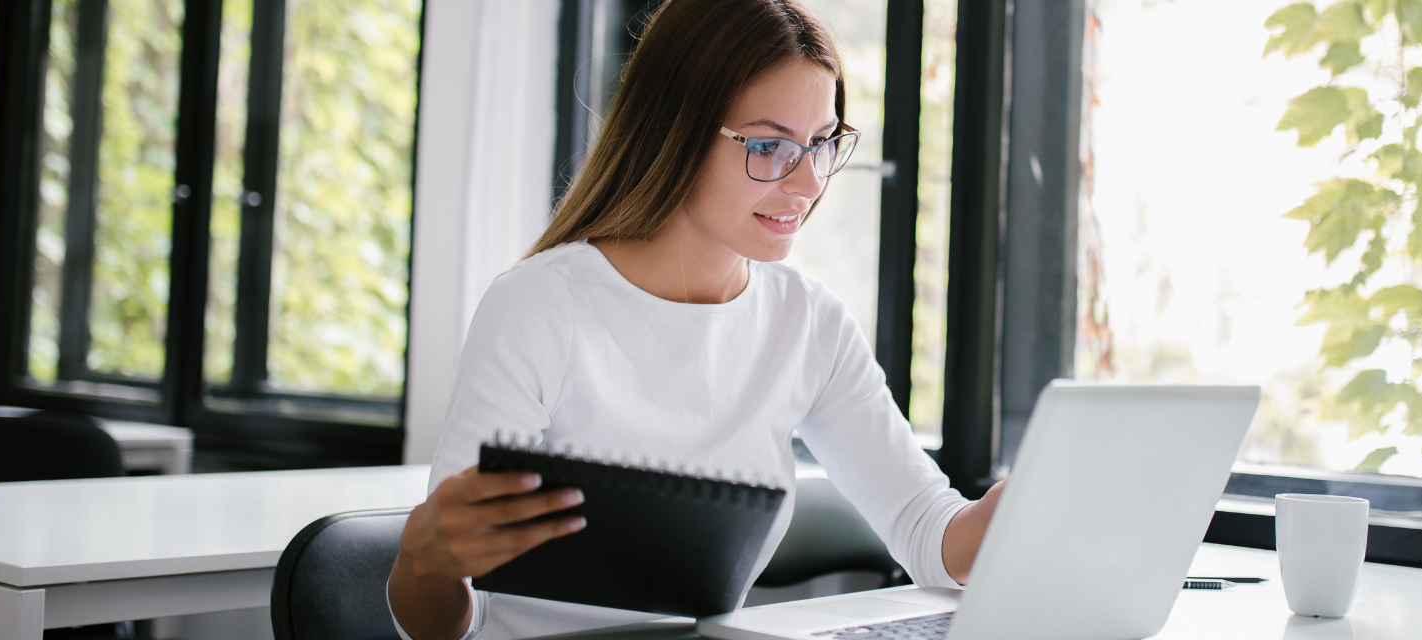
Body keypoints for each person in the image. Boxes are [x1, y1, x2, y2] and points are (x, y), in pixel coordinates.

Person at [385, 1, 1005, 638]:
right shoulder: (542, 308)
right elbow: (444, 622)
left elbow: (930, 533)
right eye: (768, 147)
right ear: (674, 129)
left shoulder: (808, 324)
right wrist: (422, 559)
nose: (807, 183)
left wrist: (1021, 506)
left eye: (821, 145)